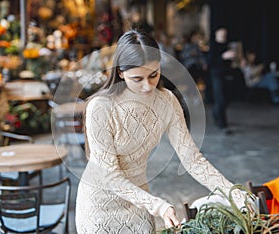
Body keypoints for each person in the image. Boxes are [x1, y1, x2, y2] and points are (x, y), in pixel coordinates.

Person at [75, 29, 246, 233]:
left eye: (153, 75)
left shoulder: (167, 101)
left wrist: (233, 193)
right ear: (120, 72)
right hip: (98, 208)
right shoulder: (101, 107)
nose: (148, 86)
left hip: (140, 205)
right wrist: (158, 206)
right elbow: (109, 174)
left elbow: (192, 159)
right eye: (137, 79)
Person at [208, 27, 236, 134]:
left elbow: (231, 62)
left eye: (225, 33)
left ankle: (216, 114)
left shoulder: (228, 46)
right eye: (221, 33)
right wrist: (223, 57)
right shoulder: (213, 46)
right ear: (216, 34)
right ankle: (222, 125)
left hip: (227, 74)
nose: (223, 35)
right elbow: (211, 62)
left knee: (227, 99)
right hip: (216, 75)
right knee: (220, 99)